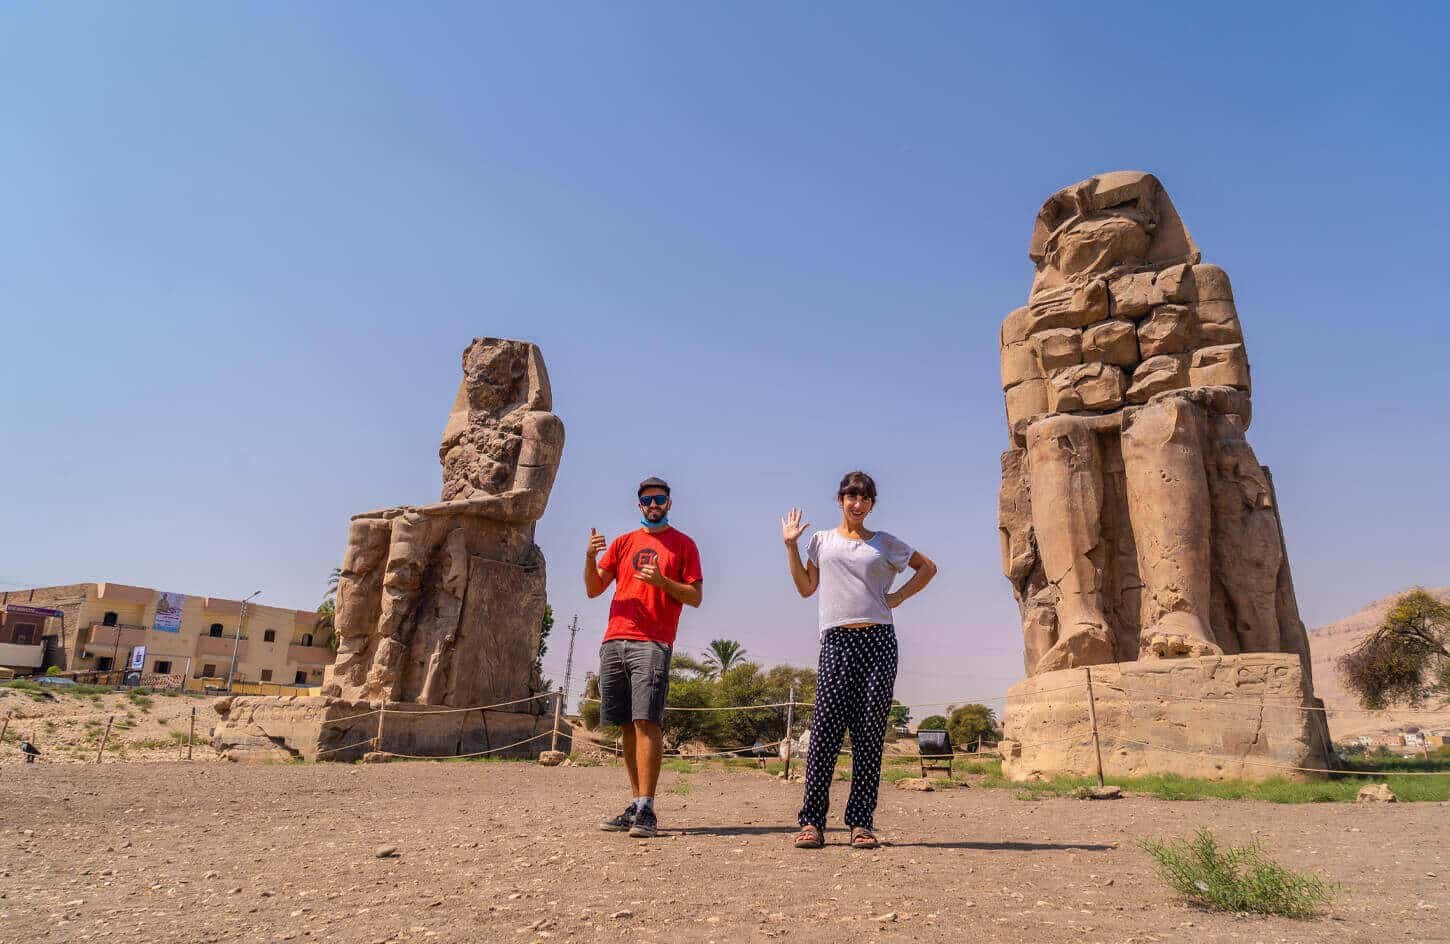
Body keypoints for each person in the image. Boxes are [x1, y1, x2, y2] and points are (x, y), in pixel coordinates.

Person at [781, 471, 937, 850]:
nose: (857, 503)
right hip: (836, 640)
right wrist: (790, 547)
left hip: (878, 642)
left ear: (871, 504)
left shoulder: (884, 543)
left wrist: (898, 598)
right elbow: (806, 589)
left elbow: (927, 568)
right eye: (851, 496)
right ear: (840, 500)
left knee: (869, 735)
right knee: (824, 734)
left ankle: (861, 823)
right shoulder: (821, 542)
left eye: (864, 498)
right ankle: (812, 823)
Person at [584, 476, 704, 838]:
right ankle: (635, 805)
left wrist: (663, 584)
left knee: (646, 721)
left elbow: (695, 596)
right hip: (614, 640)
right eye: (648, 500)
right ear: (639, 505)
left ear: (670, 504)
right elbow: (593, 589)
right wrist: (589, 556)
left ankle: (649, 809)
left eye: (660, 500)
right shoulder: (622, 543)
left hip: (652, 642)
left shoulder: (684, 545)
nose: (654, 506)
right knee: (625, 725)